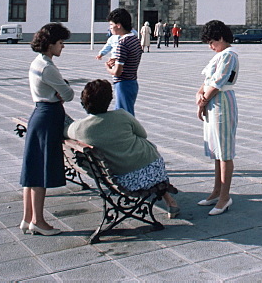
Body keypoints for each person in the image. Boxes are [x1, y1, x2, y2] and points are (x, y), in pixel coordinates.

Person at [67, 79, 179, 217]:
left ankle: (168, 199)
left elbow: (65, 130)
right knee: (145, 150)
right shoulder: (121, 115)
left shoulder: (79, 129)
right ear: (109, 100)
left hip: (119, 178)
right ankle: (169, 200)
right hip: (152, 169)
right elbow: (143, 134)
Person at [19, 23, 75, 236]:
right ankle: (38, 221)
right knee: (40, 172)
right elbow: (69, 95)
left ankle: (27, 218)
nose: (63, 47)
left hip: (39, 114)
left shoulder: (37, 62)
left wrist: (60, 88)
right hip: (49, 116)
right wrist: (63, 88)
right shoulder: (48, 67)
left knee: (32, 170)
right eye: (60, 43)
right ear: (50, 44)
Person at [195, 20, 239, 215]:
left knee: (225, 151)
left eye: (212, 42)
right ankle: (216, 191)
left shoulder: (229, 55)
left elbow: (218, 82)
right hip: (213, 102)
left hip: (222, 102)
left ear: (221, 38)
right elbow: (206, 81)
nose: (210, 47)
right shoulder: (219, 55)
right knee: (216, 150)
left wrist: (203, 100)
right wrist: (199, 96)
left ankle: (225, 197)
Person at [105, 8, 142, 116]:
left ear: (119, 25)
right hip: (132, 81)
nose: (110, 27)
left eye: (111, 24)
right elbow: (131, 58)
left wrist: (108, 68)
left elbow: (117, 72)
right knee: (125, 112)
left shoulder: (122, 43)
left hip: (123, 83)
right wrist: (118, 60)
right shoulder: (134, 39)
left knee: (124, 115)